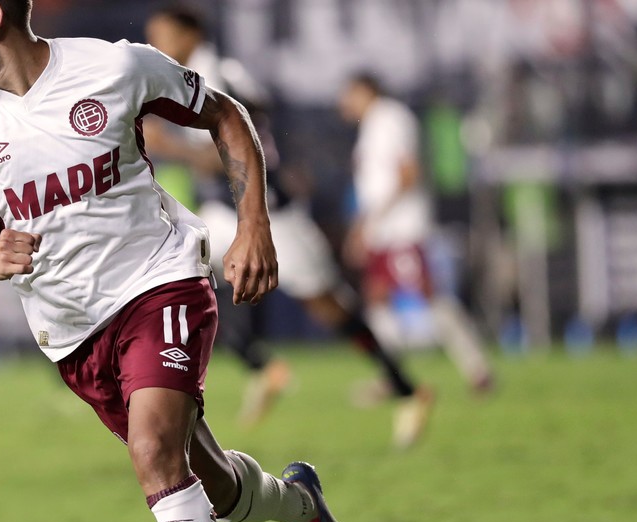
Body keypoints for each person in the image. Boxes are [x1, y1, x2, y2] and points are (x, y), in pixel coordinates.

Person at [0, 2, 361, 522]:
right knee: (214, 486)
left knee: (155, 454)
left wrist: (253, 223)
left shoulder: (115, 67)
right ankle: (301, 507)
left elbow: (225, 115)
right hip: (72, 332)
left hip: (160, 281)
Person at [143, 5, 434, 447]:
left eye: (163, 34)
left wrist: (167, 146)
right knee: (179, 271)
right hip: (225, 211)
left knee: (327, 305)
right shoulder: (212, 74)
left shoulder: (214, 76)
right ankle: (261, 366)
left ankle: (406, 388)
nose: (157, 44)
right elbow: (258, 113)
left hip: (269, 215)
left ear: (190, 35)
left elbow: (233, 154)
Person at [338, 73, 494, 395]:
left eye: (349, 94)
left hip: (401, 227)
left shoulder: (391, 119)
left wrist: (371, 220)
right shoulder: (373, 125)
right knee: (377, 298)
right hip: (384, 230)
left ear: (365, 91)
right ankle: (393, 376)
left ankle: (477, 368)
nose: (344, 103)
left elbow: (408, 173)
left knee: (427, 295)